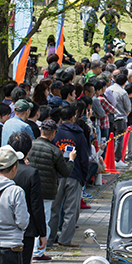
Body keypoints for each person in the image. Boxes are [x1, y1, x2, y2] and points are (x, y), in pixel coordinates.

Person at [3, 132, 46, 264]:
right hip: (25, 230)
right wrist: (43, 232)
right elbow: (37, 206)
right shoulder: (30, 173)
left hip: (1, 228)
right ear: (28, 150)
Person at [28, 119, 75, 261]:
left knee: (29, 218)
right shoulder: (54, 151)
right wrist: (71, 159)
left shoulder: (30, 145)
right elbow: (65, 172)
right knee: (43, 220)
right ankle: (38, 251)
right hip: (46, 191)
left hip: (29, 189)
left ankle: (30, 250)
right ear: (53, 133)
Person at [48, 106, 90, 248]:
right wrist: (84, 176)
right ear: (73, 117)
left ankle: (49, 237)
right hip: (74, 174)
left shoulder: (55, 133)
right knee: (71, 210)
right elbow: (84, 158)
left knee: (54, 208)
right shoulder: (79, 134)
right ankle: (65, 240)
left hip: (56, 176)